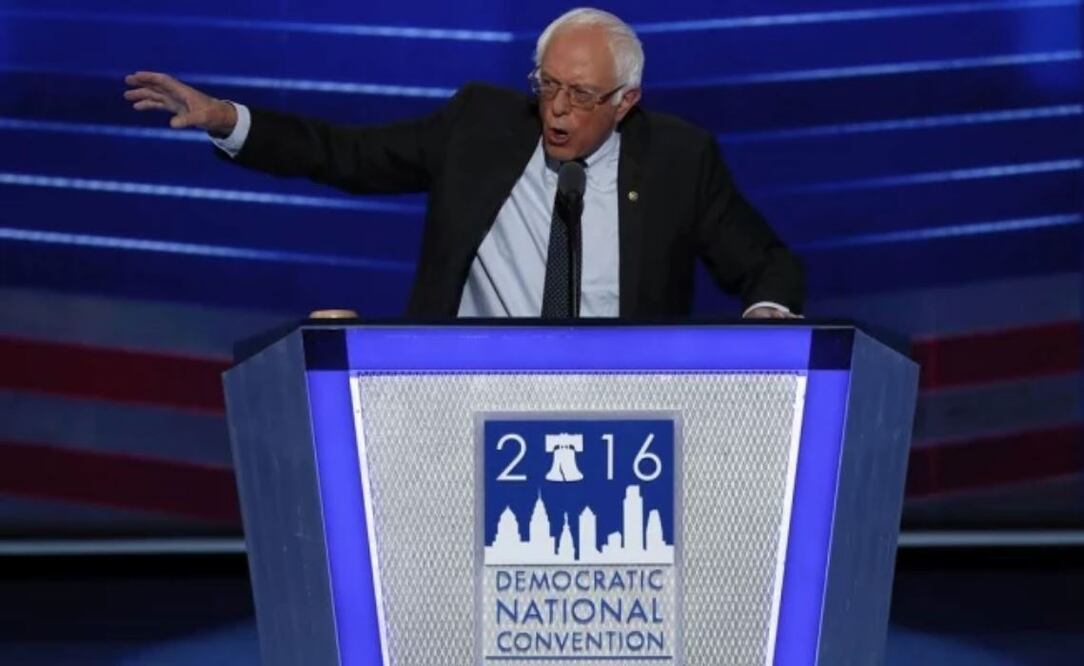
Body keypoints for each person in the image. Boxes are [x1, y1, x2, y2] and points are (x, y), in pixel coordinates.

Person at [124, 7, 803, 319]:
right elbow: (347, 155)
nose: (557, 110)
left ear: (626, 101)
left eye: (581, 96)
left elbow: (768, 263)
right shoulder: (480, 127)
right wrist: (228, 119)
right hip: (470, 396)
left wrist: (768, 311)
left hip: (624, 412)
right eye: (547, 85)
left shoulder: (679, 158)